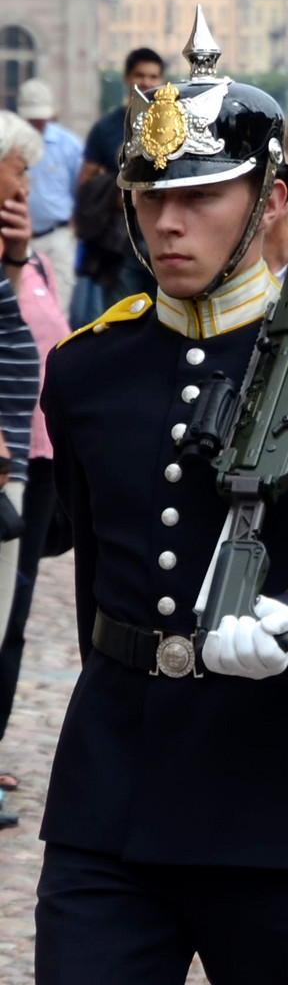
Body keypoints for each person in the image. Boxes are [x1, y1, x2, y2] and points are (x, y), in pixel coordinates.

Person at [33, 10, 288, 984]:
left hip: (285, 802)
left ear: (274, 198)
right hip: (110, 795)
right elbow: (91, 576)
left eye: (204, 195)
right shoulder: (89, 368)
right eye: (150, 195)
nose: (168, 222)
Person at [0, 110, 47, 829]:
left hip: (26, 455)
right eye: (21, 169)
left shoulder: (18, 250)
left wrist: (17, 261)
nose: (28, 183)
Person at [73, 47, 166, 324]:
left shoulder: (173, 126)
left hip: (165, 233)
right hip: (122, 240)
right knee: (124, 319)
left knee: (167, 317)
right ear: (128, 78)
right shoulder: (106, 128)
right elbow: (85, 184)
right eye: (141, 74)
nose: (147, 82)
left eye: (153, 76)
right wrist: (115, 191)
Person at [17, 79, 83, 306]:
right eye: (31, 120)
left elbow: (80, 188)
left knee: (57, 307)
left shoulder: (69, 145)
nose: (36, 124)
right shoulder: (9, 144)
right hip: (17, 237)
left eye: (40, 119)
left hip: (58, 237)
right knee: (19, 306)